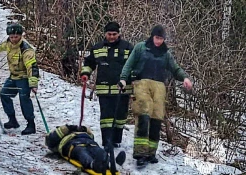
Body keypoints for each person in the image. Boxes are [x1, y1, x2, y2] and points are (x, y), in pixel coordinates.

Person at [119, 24, 193, 166]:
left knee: (156, 119)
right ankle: (140, 153)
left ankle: (150, 153)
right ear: (152, 36)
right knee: (143, 115)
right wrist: (123, 78)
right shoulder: (141, 47)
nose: (159, 41)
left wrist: (185, 78)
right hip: (142, 83)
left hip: (159, 86)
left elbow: (175, 68)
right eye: (157, 38)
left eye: (161, 39)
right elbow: (129, 64)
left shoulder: (166, 54)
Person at [80, 22, 133, 148]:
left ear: (119, 33)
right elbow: (89, 62)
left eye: (114, 34)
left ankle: (116, 140)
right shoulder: (98, 47)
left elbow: (134, 65)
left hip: (122, 89)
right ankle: (107, 142)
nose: (112, 37)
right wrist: (86, 73)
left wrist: (132, 80)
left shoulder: (128, 47)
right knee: (106, 118)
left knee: (120, 117)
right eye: (109, 34)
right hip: (104, 89)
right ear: (105, 34)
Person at [0, 23, 39, 135]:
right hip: (13, 76)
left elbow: (32, 66)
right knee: (4, 94)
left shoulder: (26, 49)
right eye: (11, 37)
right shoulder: (8, 43)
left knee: (24, 99)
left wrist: (33, 83)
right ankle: (12, 120)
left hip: (24, 78)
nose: (14, 39)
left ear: (20, 36)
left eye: (16, 37)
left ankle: (31, 124)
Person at [45, 124, 125, 173]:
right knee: (81, 152)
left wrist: (84, 129)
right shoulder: (58, 133)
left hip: (89, 142)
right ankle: (92, 164)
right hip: (72, 144)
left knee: (98, 151)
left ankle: (112, 163)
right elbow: (50, 141)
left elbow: (91, 135)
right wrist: (66, 128)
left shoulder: (81, 130)